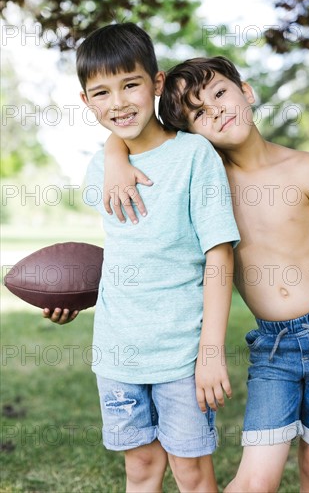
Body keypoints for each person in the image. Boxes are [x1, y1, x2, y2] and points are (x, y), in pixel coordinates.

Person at [103, 56, 309, 492]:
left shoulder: (306, 168)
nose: (217, 111)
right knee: (256, 481)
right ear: (191, 133)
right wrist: (114, 155)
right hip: (273, 346)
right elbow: (137, 138)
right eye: (199, 112)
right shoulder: (207, 180)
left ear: (246, 91)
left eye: (221, 94)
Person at [43, 28, 240, 493]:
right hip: (117, 355)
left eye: (130, 84)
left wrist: (210, 353)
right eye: (101, 92)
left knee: (192, 474)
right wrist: (74, 295)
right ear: (86, 101)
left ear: (156, 82)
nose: (118, 102)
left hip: (181, 354)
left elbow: (219, 254)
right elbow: (126, 252)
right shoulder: (100, 167)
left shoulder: (195, 156)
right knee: (141, 469)